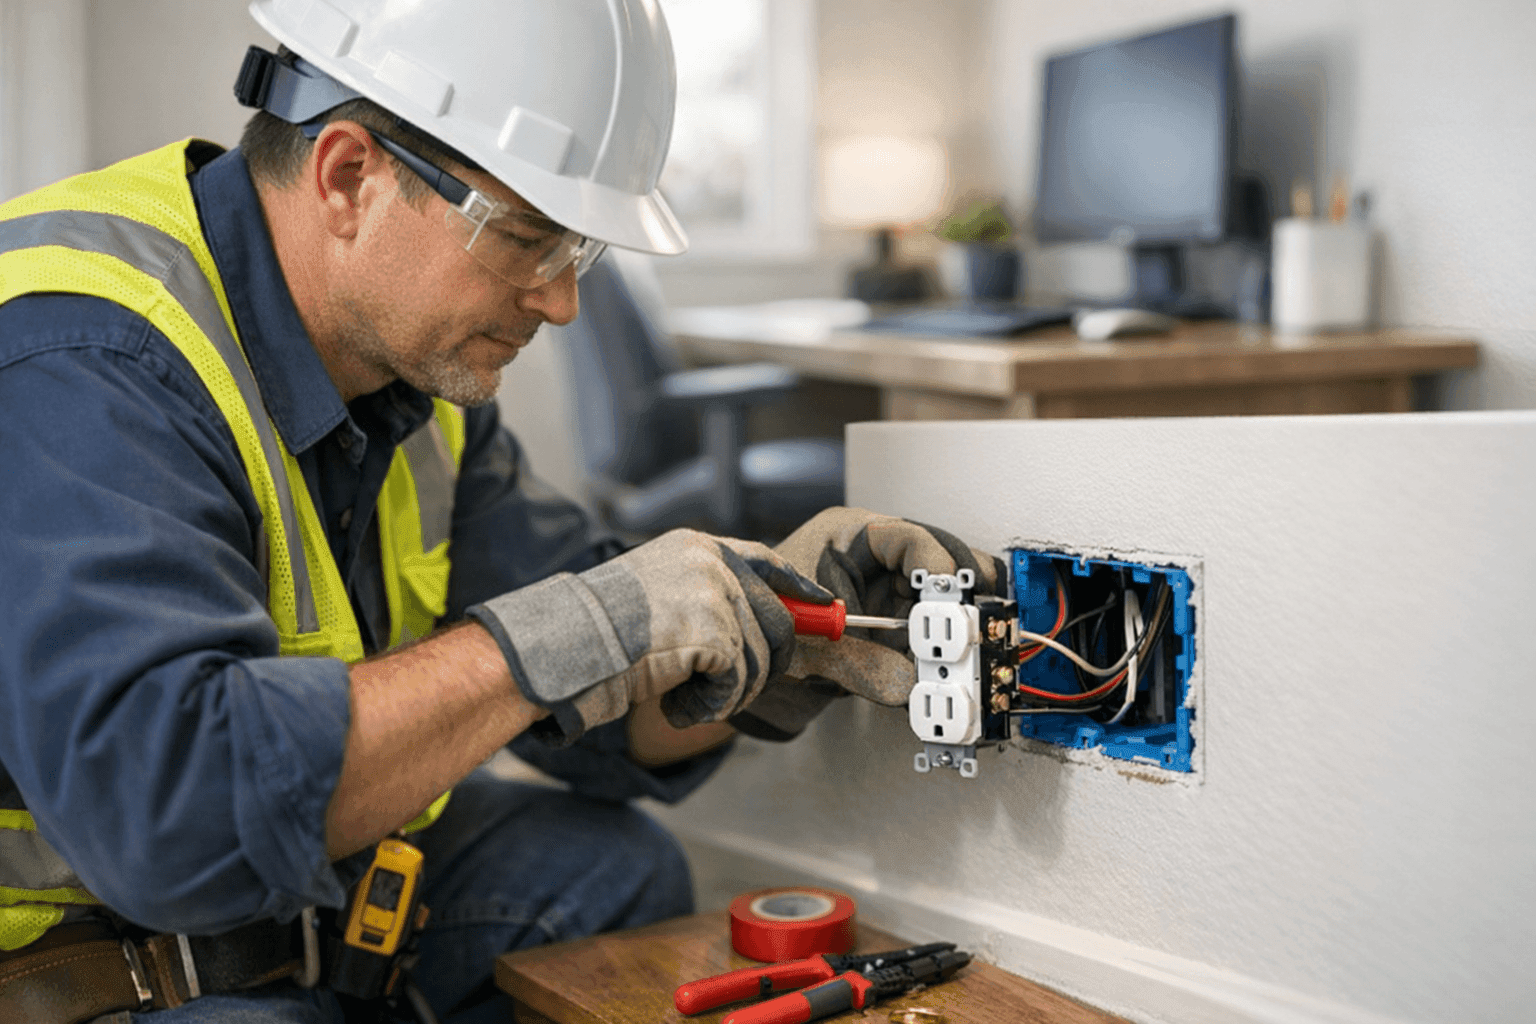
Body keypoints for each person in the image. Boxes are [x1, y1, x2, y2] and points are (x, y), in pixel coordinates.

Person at [0, 2, 1004, 1022]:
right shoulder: (89, 361)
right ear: (350, 176)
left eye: (578, 250)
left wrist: (775, 643)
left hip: (276, 888)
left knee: (603, 871)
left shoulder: (413, 389)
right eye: (526, 238)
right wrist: (578, 628)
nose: (561, 300)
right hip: (79, 951)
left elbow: (595, 704)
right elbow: (170, 817)